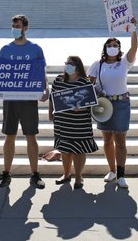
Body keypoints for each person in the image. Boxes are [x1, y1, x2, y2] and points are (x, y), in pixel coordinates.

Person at [0, 14, 49, 189]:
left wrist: (46, 88)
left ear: (25, 28)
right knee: (10, 136)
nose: (14, 28)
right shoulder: (5, 49)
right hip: (10, 99)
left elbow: (41, 71)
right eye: (13, 25)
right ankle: (6, 173)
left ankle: (35, 173)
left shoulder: (36, 48)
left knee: (31, 136)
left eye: (17, 25)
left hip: (29, 100)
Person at [88, 17, 138, 188]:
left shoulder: (124, 62)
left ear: (119, 49)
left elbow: (134, 48)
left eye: (115, 45)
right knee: (107, 139)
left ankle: (121, 173)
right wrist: (96, 90)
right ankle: (111, 170)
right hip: (104, 103)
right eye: (109, 45)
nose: (112, 47)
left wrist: (133, 29)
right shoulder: (98, 64)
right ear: (105, 48)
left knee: (121, 140)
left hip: (121, 103)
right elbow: (88, 83)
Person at [48, 55, 98, 190]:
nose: (68, 66)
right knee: (65, 150)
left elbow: (91, 103)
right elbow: (52, 98)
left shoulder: (85, 82)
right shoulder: (58, 80)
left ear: (78, 67)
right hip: (63, 122)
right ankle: (66, 174)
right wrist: (50, 112)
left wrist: (81, 108)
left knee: (79, 150)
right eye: (67, 63)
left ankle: (78, 177)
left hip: (80, 123)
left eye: (71, 64)